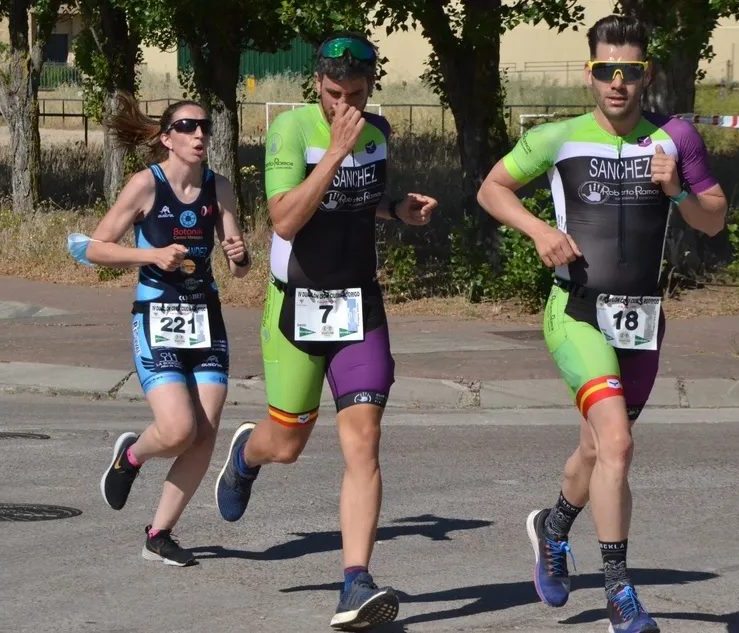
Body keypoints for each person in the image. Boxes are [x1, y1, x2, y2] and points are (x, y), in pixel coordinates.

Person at [477, 15, 727, 633]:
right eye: (606, 70)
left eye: (630, 71)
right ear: (589, 73)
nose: (618, 82)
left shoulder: (675, 137)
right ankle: (620, 593)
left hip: (642, 320)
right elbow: (492, 189)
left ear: (645, 74)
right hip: (577, 312)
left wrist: (678, 191)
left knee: (596, 448)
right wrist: (539, 231)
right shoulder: (558, 137)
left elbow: (714, 218)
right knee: (617, 443)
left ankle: (553, 527)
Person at [213, 32, 437, 630]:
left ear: (370, 88)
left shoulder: (378, 132)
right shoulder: (290, 130)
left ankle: (355, 582)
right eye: (335, 94)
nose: (345, 105)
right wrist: (335, 151)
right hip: (297, 306)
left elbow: (360, 203)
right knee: (287, 445)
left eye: (356, 94)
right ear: (317, 83)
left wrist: (397, 209)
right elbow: (284, 220)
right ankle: (247, 456)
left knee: (364, 441)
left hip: (360, 306)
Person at [71, 92, 251, 567]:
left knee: (205, 434)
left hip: (205, 319)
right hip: (157, 316)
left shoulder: (219, 187)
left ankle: (159, 534)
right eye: (188, 127)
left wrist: (240, 256)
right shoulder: (145, 185)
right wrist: (152, 255)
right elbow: (92, 248)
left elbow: (239, 267)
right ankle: (131, 457)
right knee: (176, 430)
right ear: (168, 138)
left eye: (205, 126)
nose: (199, 134)